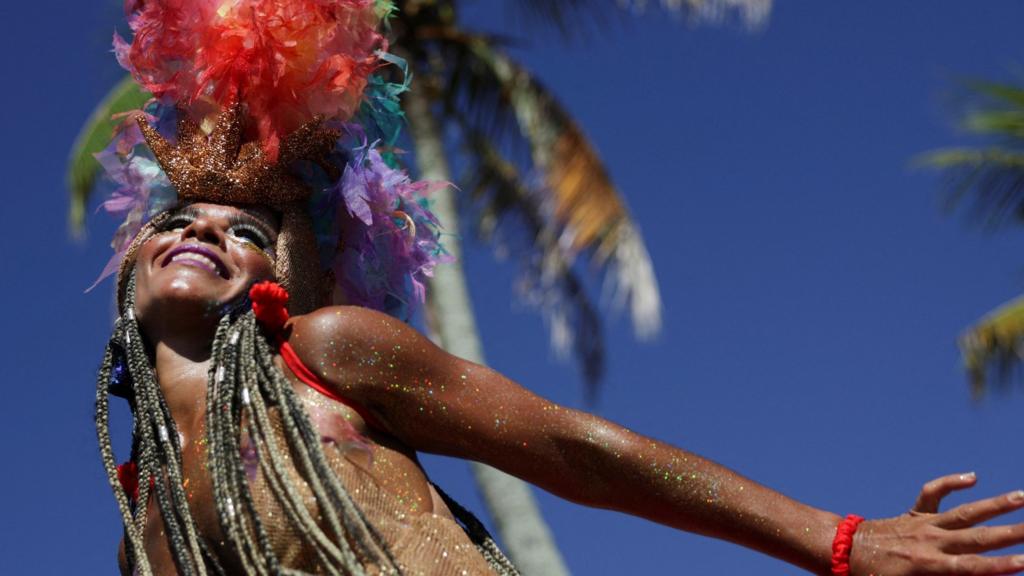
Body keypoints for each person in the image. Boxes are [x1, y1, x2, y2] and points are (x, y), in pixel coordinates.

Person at [92, 2, 1024, 575]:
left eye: (246, 230)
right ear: (131, 268)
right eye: (176, 220)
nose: (205, 228)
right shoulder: (145, 522)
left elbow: (573, 449)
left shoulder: (325, 355)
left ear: (278, 281)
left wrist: (839, 539)